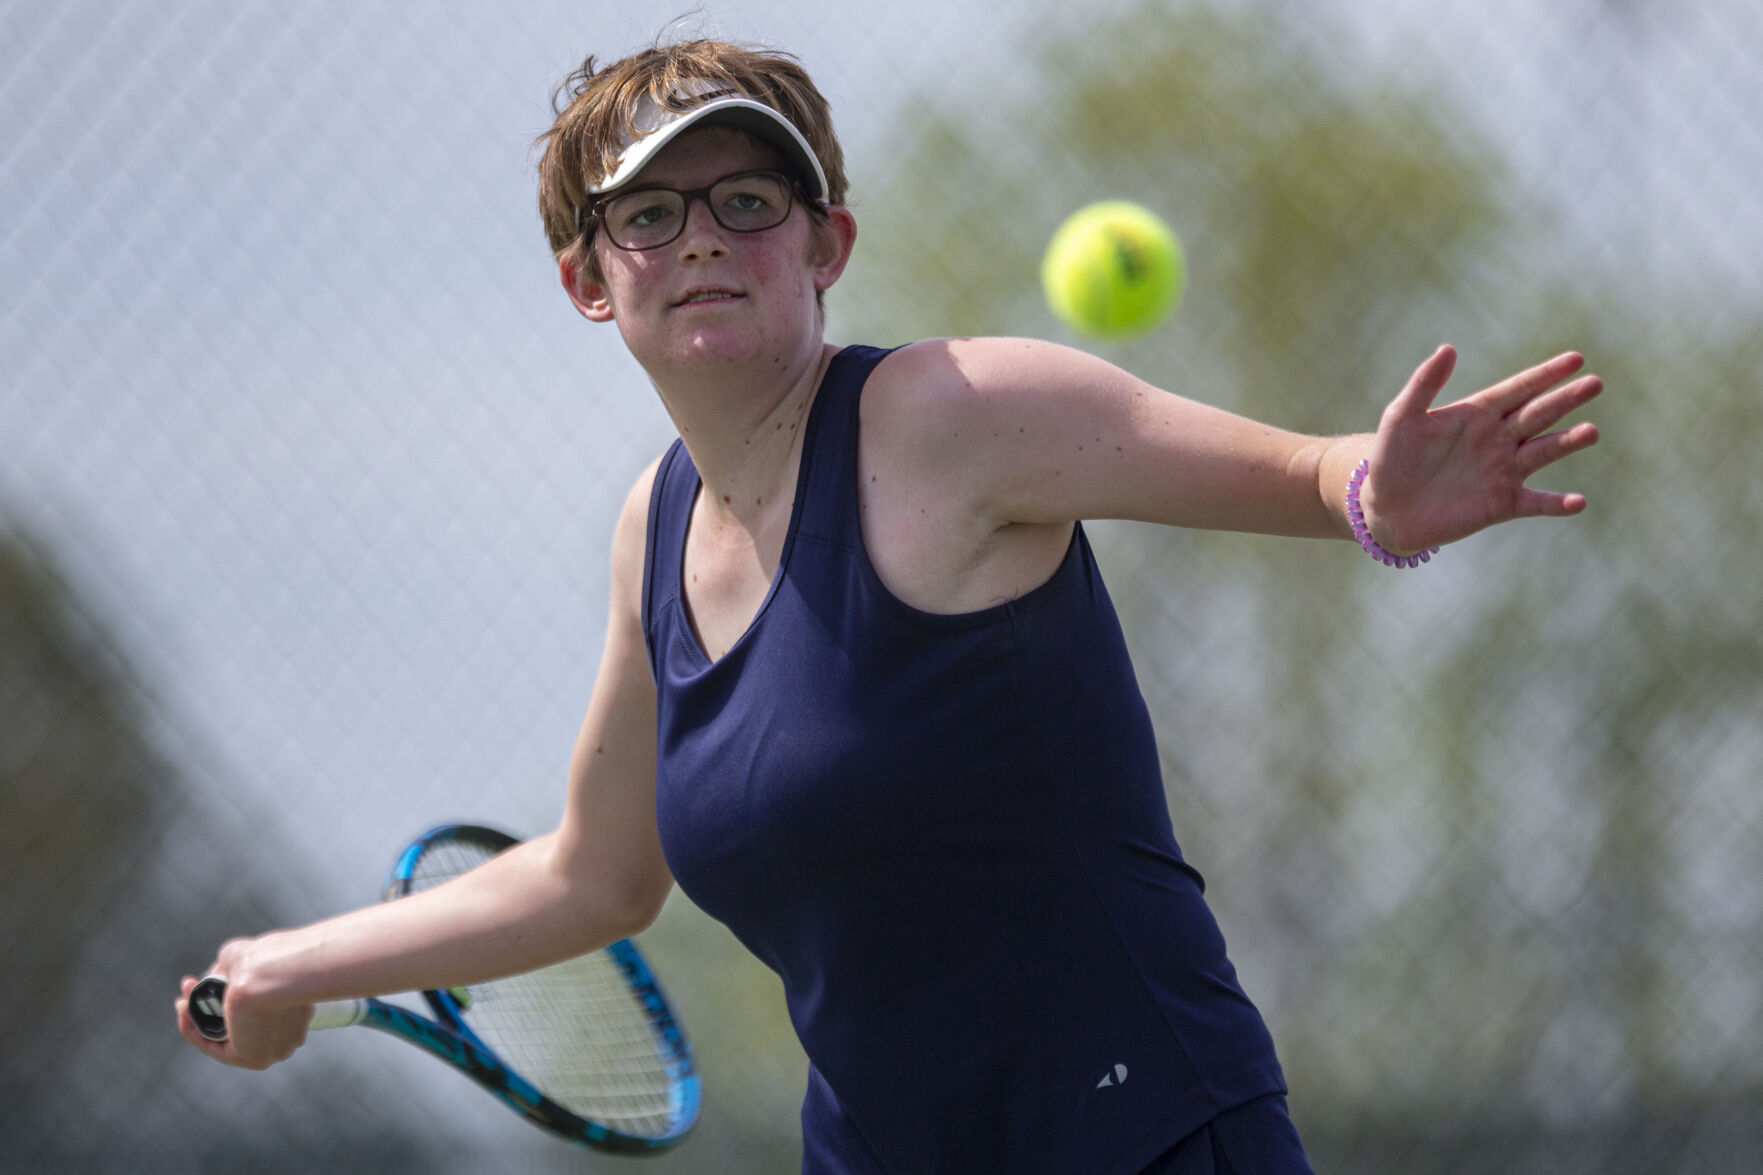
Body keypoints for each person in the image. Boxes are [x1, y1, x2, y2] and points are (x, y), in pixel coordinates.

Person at [176, 36, 1602, 1174]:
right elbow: (594, 880)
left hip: (1141, 1135)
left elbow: (1306, 470)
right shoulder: (651, 534)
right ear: (587, 280)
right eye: (650, 214)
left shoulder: (949, 416)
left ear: (827, 245)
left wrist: (1371, 493)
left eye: (749, 201)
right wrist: (294, 962)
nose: (702, 239)